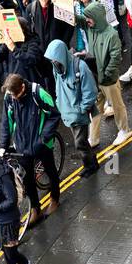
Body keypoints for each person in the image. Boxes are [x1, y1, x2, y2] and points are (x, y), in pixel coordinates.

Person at [0, 73, 61, 223]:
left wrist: (43, 139)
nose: (14, 98)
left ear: (22, 87)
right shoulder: (9, 96)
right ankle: (35, 208)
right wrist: (3, 146)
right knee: (27, 178)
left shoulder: (37, 92)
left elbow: (54, 115)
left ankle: (54, 198)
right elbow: (6, 122)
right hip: (22, 146)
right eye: (11, 95)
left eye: (16, 95)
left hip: (41, 144)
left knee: (50, 170)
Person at [44, 41, 99, 177]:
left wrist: (82, 108)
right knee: (81, 141)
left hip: (78, 113)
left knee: (79, 142)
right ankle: (92, 161)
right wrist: (59, 103)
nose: (52, 61)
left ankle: (89, 165)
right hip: (67, 112)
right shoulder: (56, 67)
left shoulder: (80, 67)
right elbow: (57, 86)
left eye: (54, 58)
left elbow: (90, 91)